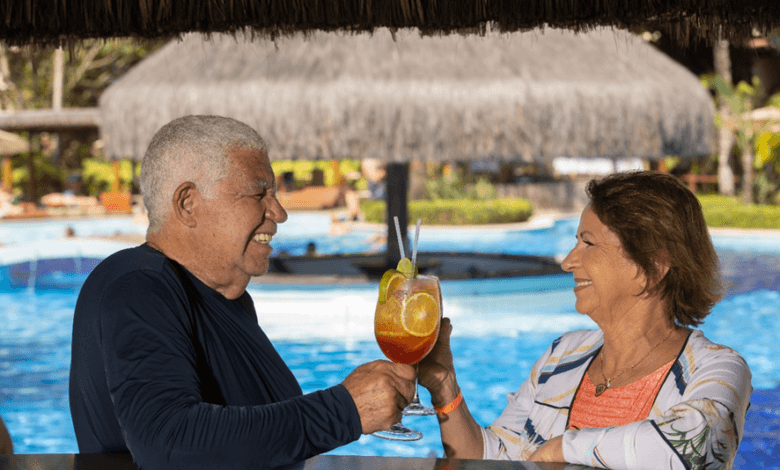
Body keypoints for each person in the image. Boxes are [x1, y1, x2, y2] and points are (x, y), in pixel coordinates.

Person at [69, 115, 416, 470]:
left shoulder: (223, 298)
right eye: (258, 193)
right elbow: (167, 444)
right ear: (188, 204)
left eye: (275, 195)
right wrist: (344, 411)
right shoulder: (138, 288)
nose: (279, 213)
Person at [418, 170, 752, 469]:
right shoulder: (562, 356)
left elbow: (692, 449)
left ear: (651, 266)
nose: (567, 262)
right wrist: (445, 388)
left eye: (587, 243)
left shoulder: (718, 369)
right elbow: (494, 459)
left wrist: (562, 448)